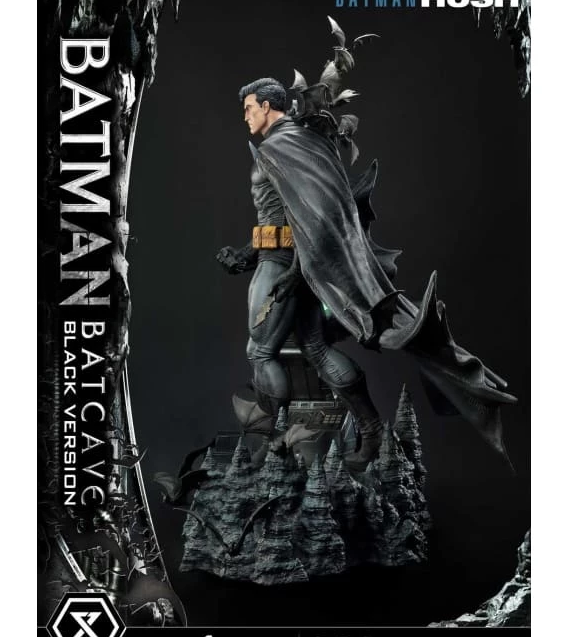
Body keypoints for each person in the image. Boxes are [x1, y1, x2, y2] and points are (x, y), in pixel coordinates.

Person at [217, 77, 516, 471]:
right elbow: (288, 212)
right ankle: (371, 430)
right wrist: (246, 253)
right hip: (289, 260)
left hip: (286, 265)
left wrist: (295, 268)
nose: (245, 116)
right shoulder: (299, 142)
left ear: (268, 106)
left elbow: (319, 214)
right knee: (315, 349)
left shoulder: (281, 144)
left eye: (249, 108)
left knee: (259, 351)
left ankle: (274, 444)